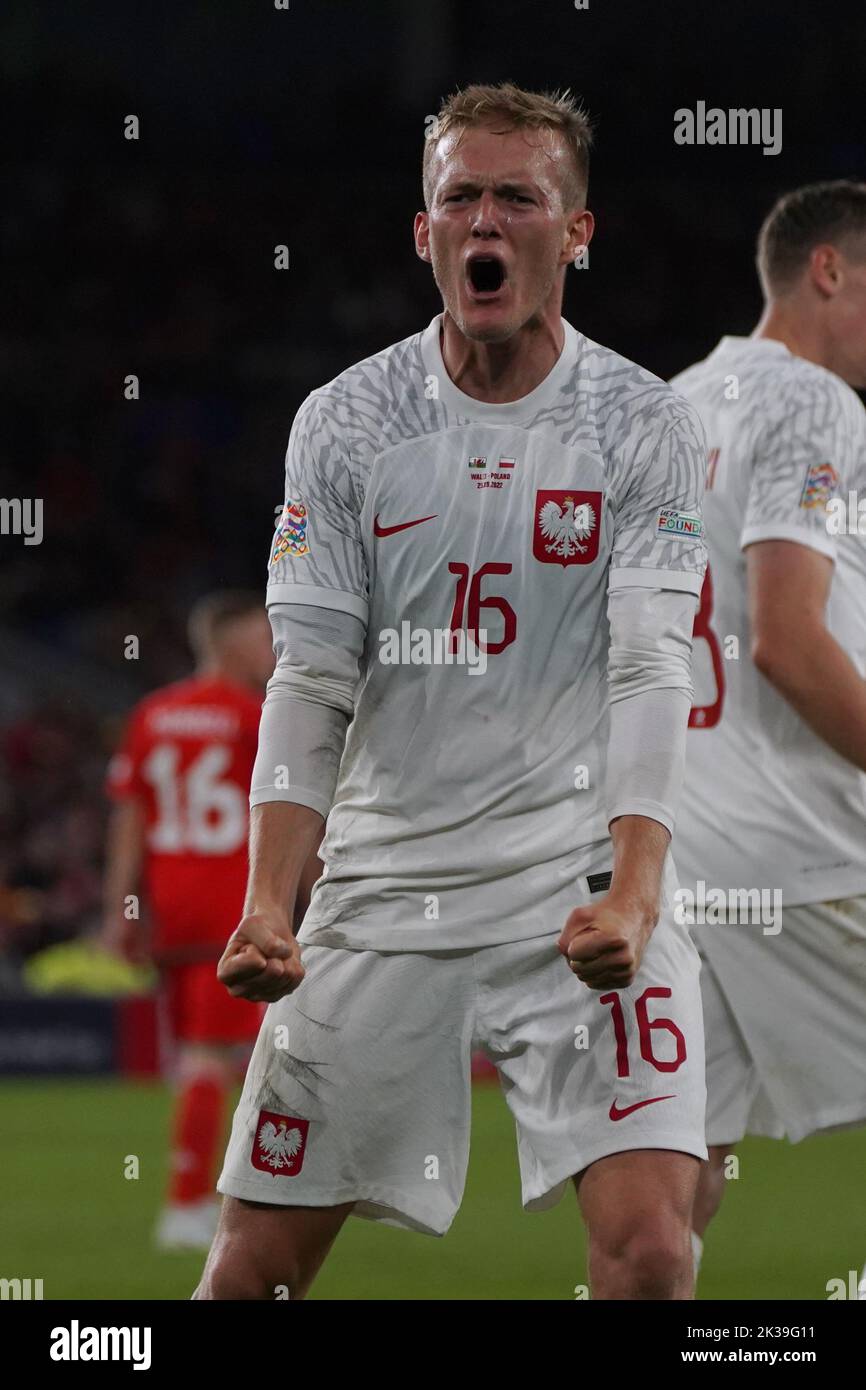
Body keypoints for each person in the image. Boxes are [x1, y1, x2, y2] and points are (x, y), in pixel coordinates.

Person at [197, 82, 709, 1301]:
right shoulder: (345, 420)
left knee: (650, 1251)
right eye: (458, 197)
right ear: (422, 231)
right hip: (384, 884)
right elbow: (311, 678)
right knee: (248, 1274)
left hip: (575, 879)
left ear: (574, 231)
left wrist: (637, 893)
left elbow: (649, 662)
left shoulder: (642, 422)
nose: (485, 220)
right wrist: (271, 899)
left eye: (516, 197)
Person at [670, 181, 866, 1287]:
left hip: (678, 855)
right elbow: (788, 644)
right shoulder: (813, 403)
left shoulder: (668, 405)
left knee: (675, 1189)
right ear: (825, 270)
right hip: (796, 844)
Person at [104, 590, 321, 1249]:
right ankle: (190, 1203)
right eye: (262, 638)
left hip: (171, 906)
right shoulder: (256, 717)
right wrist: (322, 890)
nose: (271, 649)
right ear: (228, 643)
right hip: (235, 906)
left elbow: (130, 816)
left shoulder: (153, 713)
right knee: (221, 1057)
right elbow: (292, 809)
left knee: (203, 1055)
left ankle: (215, 1193)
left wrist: (122, 906)